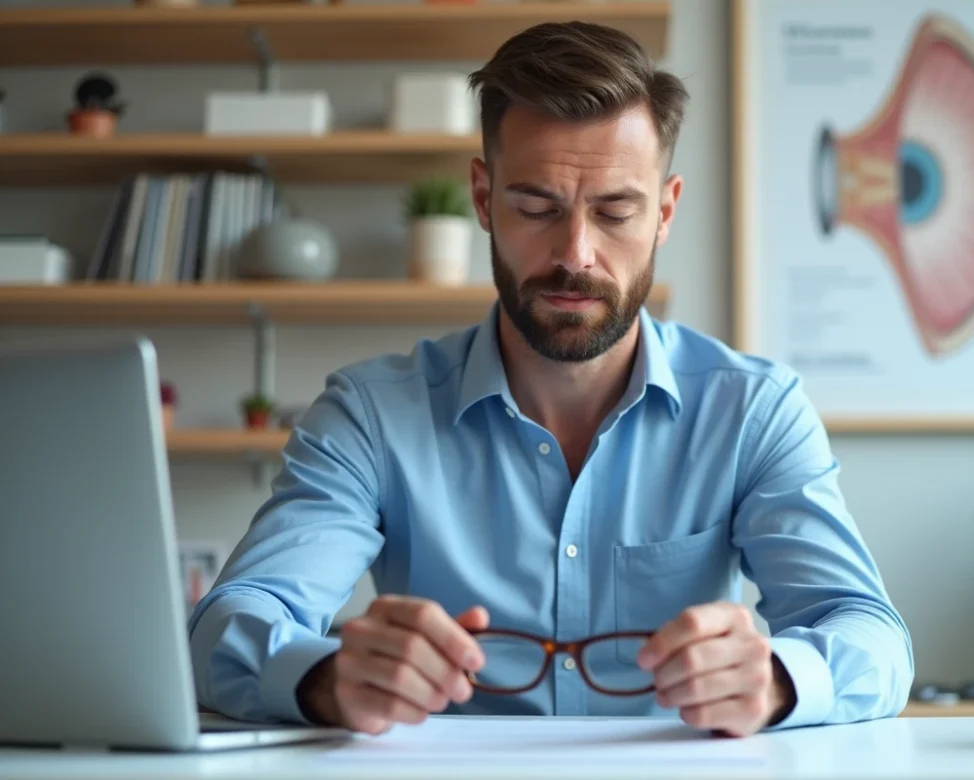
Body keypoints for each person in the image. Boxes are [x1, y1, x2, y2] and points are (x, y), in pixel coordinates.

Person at [188, 20, 913, 740]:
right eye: (537, 207)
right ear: (482, 197)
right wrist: (323, 677)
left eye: (615, 210)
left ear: (664, 211)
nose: (576, 254)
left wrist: (778, 678)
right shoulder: (370, 415)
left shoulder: (753, 410)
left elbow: (870, 634)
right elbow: (230, 623)